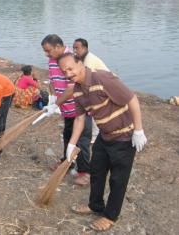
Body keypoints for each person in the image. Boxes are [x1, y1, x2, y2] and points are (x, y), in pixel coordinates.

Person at [58, 53, 147, 232]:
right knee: (96, 171)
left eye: (70, 68)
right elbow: (79, 119)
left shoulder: (102, 77)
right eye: (64, 71)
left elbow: (132, 99)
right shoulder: (77, 89)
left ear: (80, 64)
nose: (68, 73)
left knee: (117, 180)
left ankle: (110, 216)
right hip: (104, 136)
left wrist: (138, 130)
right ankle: (95, 205)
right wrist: (71, 145)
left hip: (124, 137)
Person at [39, 34, 92, 186]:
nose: (47, 54)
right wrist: (52, 98)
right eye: (45, 51)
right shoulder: (52, 60)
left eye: (48, 51)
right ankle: (67, 163)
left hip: (79, 109)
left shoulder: (70, 61)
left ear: (58, 47)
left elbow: (71, 89)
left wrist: (55, 104)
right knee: (67, 136)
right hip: (66, 109)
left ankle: (85, 172)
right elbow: (53, 81)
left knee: (82, 141)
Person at [73, 38, 110, 143]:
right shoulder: (83, 59)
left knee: (95, 110)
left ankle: (95, 135)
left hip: (105, 87)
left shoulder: (88, 60)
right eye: (74, 48)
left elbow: (86, 80)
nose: (75, 51)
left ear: (84, 48)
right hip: (98, 86)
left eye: (77, 48)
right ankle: (97, 134)